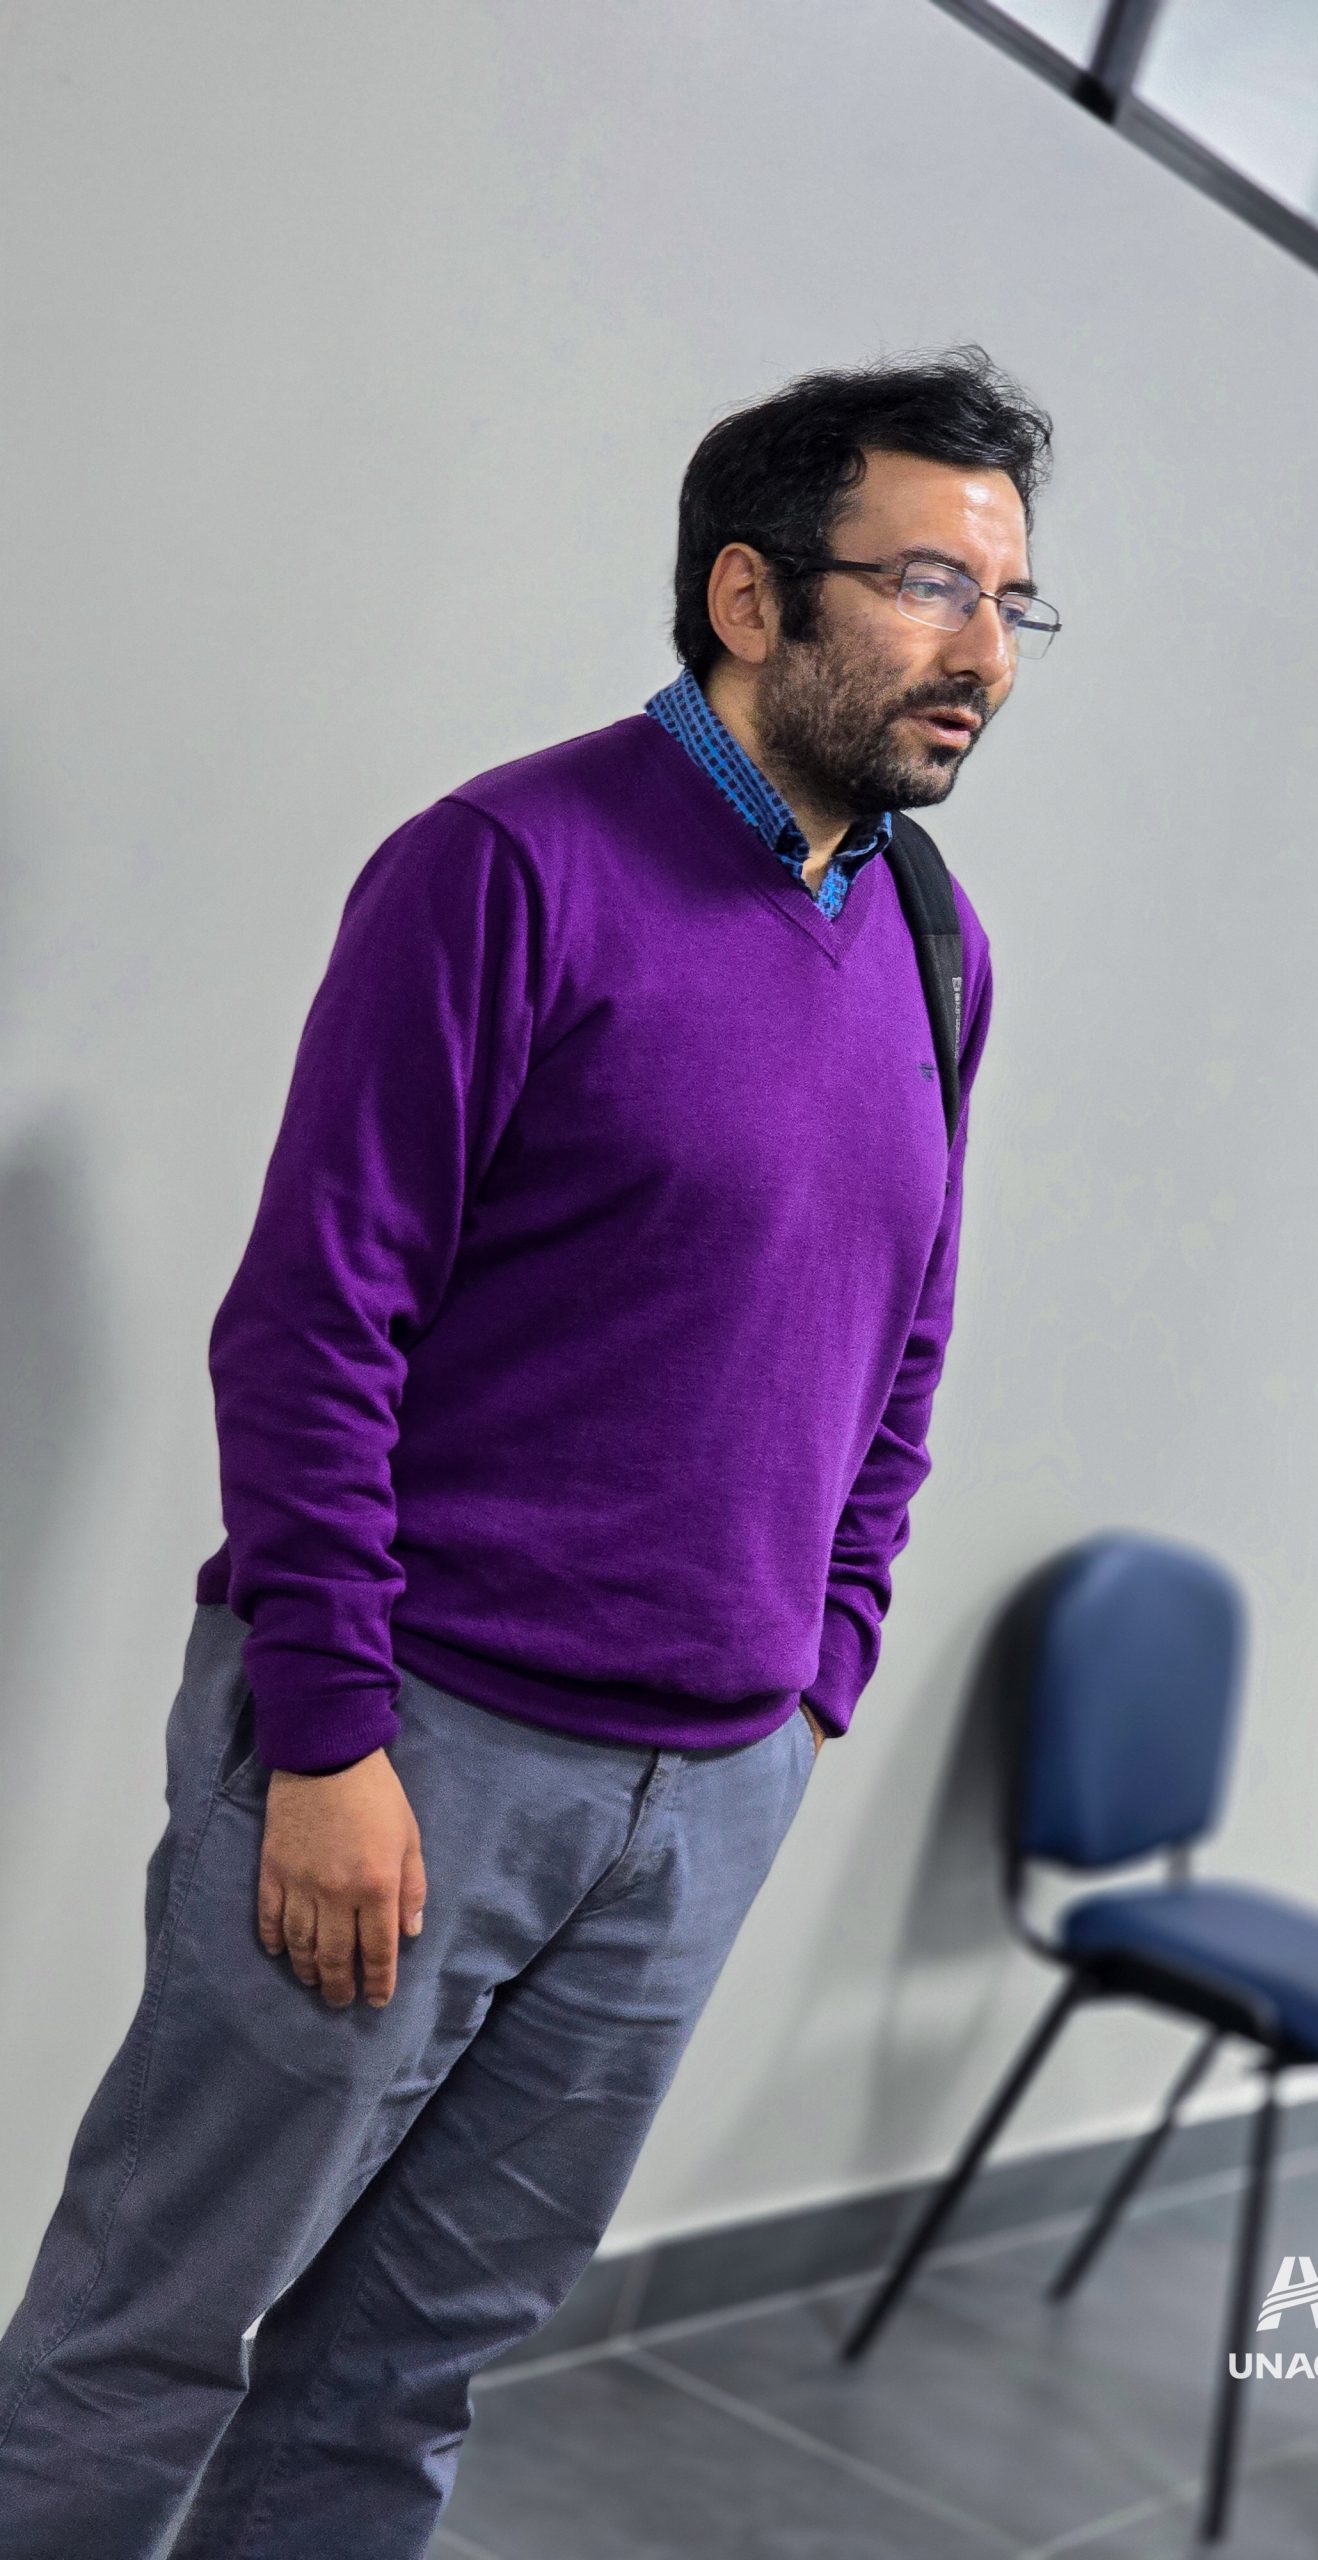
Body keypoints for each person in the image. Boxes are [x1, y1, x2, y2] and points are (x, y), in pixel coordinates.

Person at [0, 346, 1054, 2558]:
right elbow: (314, 1320)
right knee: (149, 2334)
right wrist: (325, 1736)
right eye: (930, 586)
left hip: (701, 1795)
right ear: (750, 595)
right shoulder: (505, 867)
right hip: (414, 1750)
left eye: (1010, 603)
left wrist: (817, 1670)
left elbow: (903, 1331)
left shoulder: (932, 941)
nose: (981, 652)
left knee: (406, 2378)